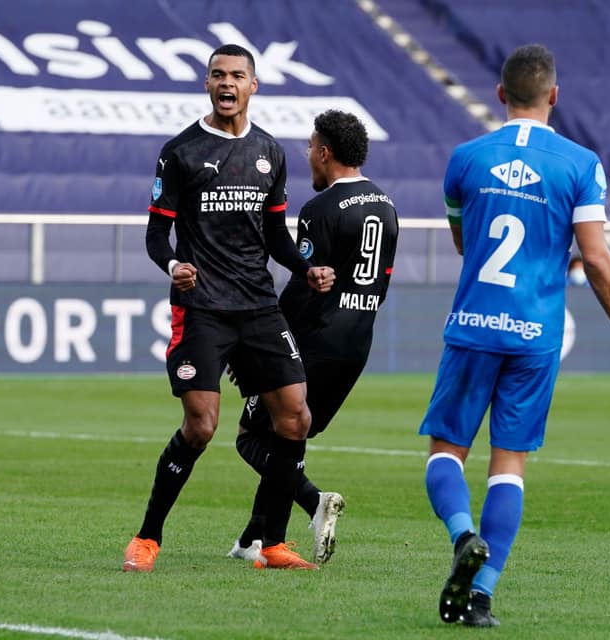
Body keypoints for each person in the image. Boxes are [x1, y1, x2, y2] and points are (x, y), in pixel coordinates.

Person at [419, 44, 610, 627]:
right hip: (534, 334)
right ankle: (481, 597)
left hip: (474, 326)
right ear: (554, 95)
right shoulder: (581, 163)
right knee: (509, 465)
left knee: (446, 452)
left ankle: (463, 535)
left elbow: (464, 242)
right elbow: (595, 257)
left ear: (500, 94)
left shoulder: (465, 159)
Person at [123, 43, 336, 573]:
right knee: (201, 425)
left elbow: (276, 235)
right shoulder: (180, 152)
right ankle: (147, 538)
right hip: (202, 307)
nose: (227, 83)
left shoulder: (270, 152)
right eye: (218, 75)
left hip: (258, 305)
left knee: (296, 417)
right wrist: (174, 264)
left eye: (237, 75)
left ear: (252, 85)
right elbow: (156, 235)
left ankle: (273, 544)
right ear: (207, 84)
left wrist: (305, 268)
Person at [226, 110, 399, 566]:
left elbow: (304, 285)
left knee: (250, 438)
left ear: (325, 152)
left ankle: (313, 500)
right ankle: (252, 539)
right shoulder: (386, 205)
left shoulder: (320, 209)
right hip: (356, 344)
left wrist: (258, 343)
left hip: (312, 344)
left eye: (309, 147)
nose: (307, 155)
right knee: (288, 438)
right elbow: (381, 284)